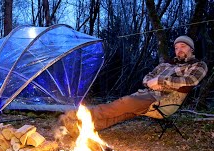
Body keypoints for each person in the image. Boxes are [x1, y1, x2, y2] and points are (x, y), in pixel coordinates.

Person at [59, 35, 208, 138]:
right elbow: (147, 78)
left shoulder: (198, 65)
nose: (179, 49)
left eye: (183, 46)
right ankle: (81, 130)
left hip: (164, 100)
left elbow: (191, 81)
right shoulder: (166, 65)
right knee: (122, 113)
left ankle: (80, 117)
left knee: (123, 103)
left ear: (191, 49)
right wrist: (152, 81)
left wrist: (160, 81)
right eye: (176, 47)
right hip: (146, 94)